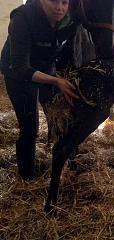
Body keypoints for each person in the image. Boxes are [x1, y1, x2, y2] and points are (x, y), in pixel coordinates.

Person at [0, 0, 79, 180]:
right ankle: (27, 179)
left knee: (62, 117)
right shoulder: (22, 18)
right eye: (53, 1)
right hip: (17, 74)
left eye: (64, 2)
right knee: (30, 128)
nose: (59, 7)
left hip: (46, 67)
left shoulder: (69, 19)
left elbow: (69, 53)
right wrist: (55, 80)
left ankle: (69, 165)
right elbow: (20, 67)